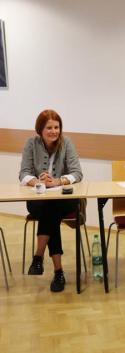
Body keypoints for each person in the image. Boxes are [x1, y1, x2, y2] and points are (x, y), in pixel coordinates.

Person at [19, 109, 83, 293]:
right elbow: (23, 173)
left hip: (64, 199)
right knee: (50, 212)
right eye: (49, 128)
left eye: (57, 127)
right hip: (38, 199)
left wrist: (57, 181)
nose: (54, 131)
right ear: (40, 129)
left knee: (51, 208)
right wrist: (37, 182)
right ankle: (58, 272)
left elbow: (77, 173)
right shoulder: (31, 144)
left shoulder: (67, 142)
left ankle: (38, 257)